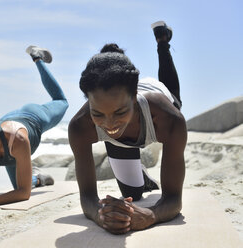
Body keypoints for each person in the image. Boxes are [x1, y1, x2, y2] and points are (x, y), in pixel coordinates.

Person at [68, 21, 186, 234]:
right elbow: (87, 198)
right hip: (122, 140)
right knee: (134, 193)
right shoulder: (80, 126)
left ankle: (162, 43)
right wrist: (100, 215)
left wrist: (152, 215)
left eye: (119, 113)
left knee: (173, 90)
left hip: (160, 95)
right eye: (98, 114)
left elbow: (173, 200)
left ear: (134, 98)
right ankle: (140, 171)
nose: (109, 123)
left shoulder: (169, 118)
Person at [0, 46, 68, 209]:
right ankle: (38, 178)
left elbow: (24, 194)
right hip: (9, 142)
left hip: (33, 117)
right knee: (21, 185)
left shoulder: (17, 139)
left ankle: (37, 58)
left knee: (61, 101)